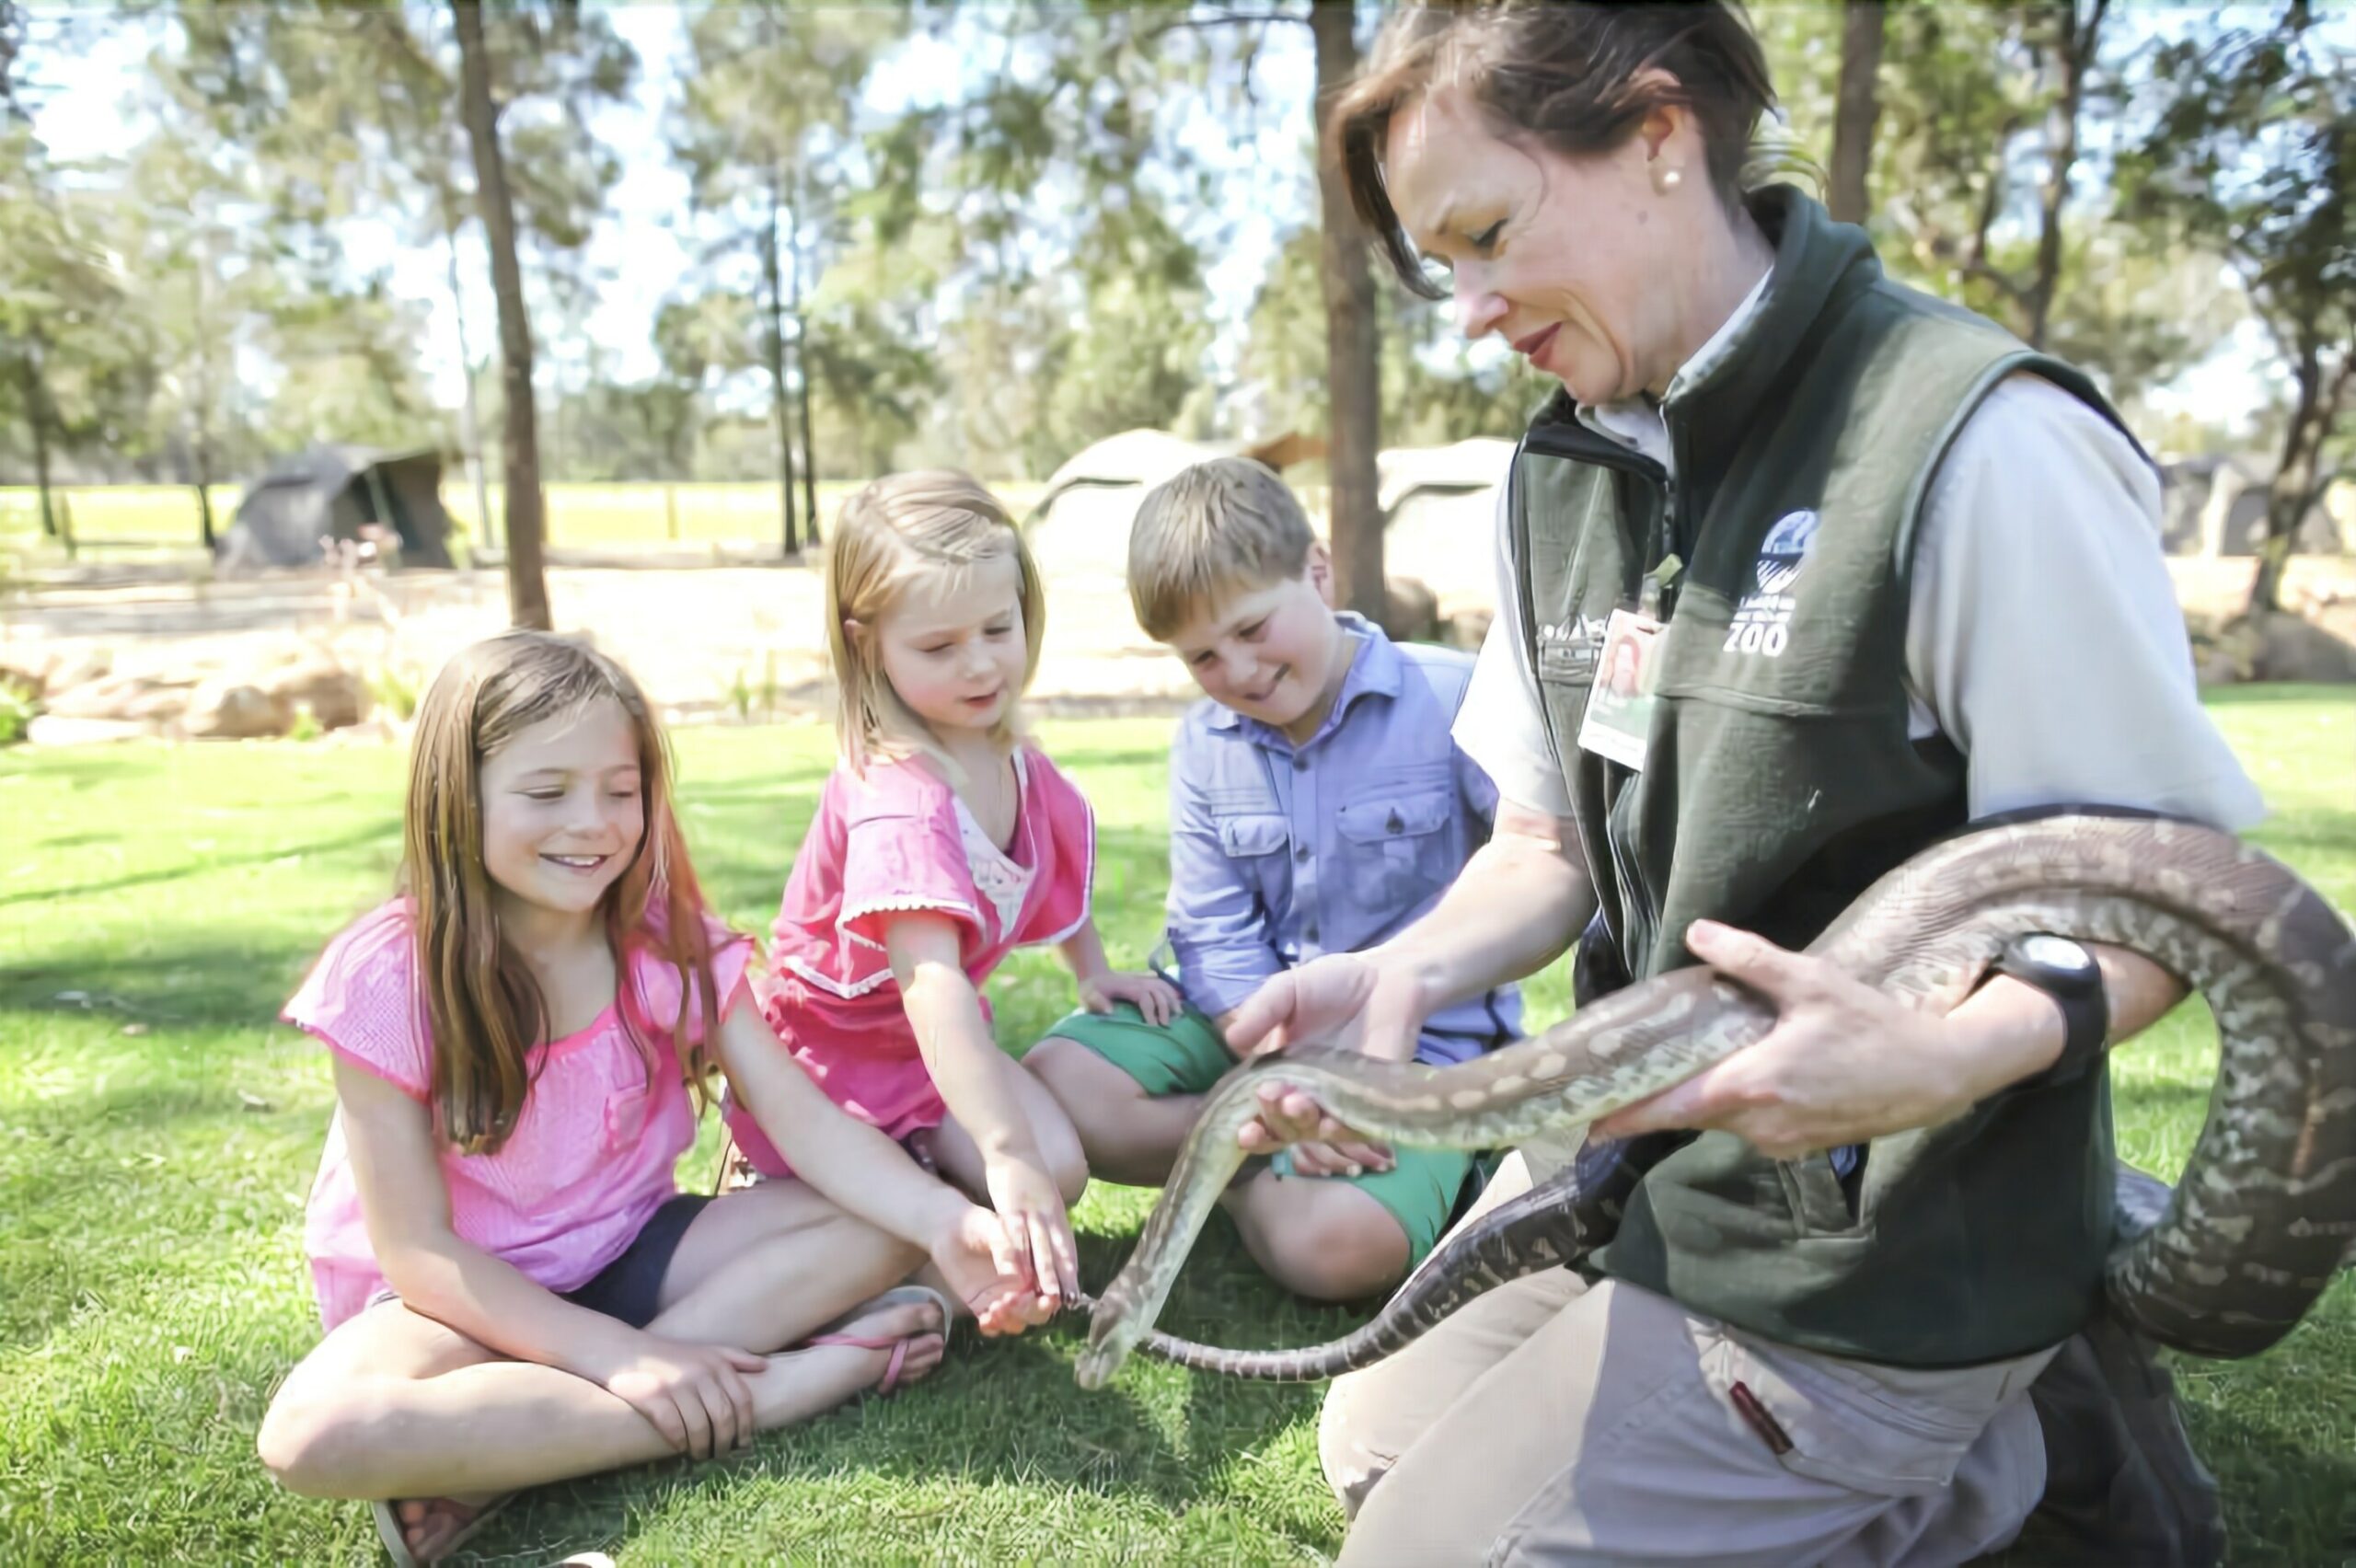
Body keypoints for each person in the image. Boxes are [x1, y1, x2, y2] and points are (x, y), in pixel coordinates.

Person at [1217, 5, 2266, 1563]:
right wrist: (1403, 962)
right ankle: (1998, 1460)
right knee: (1369, 1446)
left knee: (1425, 1554)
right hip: (1645, 1172)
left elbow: (2172, 890)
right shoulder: (1556, 470)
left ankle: (2000, 1412)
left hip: (1886, 1237)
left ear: (1658, 135)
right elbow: (1541, 836)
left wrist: (1948, 1054)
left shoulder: (1975, 441)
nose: (1474, 307)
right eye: (1446, 264)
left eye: (1491, 234)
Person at [254, 632, 1039, 1567]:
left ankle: (509, 1452)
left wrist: (946, 1220)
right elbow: (420, 1253)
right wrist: (618, 1358)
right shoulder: (387, 978)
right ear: (455, 799)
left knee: (883, 1221)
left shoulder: (668, 947)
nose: (591, 823)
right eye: (546, 793)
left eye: (619, 791)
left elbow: (806, 1123)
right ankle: (780, 1388)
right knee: (312, 1434)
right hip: (452, 1306)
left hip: (633, 1254)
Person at [1024, 457, 1521, 1302]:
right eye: (1204, 657)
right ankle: (1267, 1145)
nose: (1240, 673)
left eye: (1254, 630)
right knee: (1053, 1089)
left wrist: (1350, 1070)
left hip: (1414, 1047)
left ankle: (1260, 1165)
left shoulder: (1455, 697)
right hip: (1239, 1027)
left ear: (1317, 572)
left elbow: (1534, 872)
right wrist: (1278, 1072)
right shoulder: (1204, 743)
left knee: (1336, 1250)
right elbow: (1214, 932)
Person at [722, 471, 1179, 1317]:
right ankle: (852, 1226)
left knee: (1064, 1172)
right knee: (1015, 1194)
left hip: (930, 1056)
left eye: (998, 628)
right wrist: (1003, 1150)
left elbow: (1048, 856)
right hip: (834, 1063)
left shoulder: (1006, 757)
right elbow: (929, 981)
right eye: (939, 648)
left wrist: (1090, 969)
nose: (979, 664)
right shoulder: (900, 794)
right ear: (869, 647)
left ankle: (919, 1193)